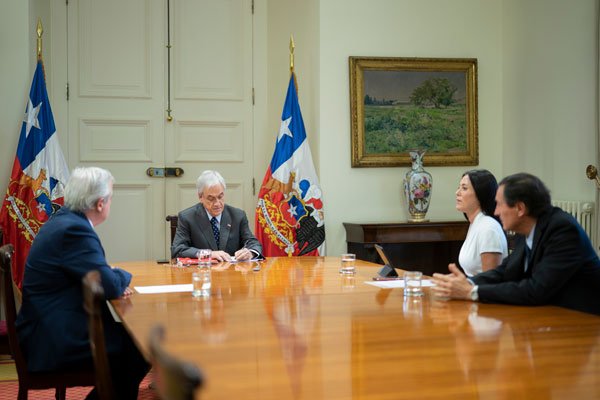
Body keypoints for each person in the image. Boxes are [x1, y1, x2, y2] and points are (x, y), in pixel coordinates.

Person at [16, 167, 150, 399]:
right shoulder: (74, 230)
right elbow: (108, 285)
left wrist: (109, 274)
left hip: (52, 323)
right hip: (54, 338)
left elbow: (100, 275)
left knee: (135, 340)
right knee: (142, 347)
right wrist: (120, 274)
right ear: (100, 203)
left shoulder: (64, 220)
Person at [433, 172, 600, 316]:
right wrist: (467, 283)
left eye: (499, 204)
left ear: (520, 208)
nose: (496, 211)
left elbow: (536, 289)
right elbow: (505, 271)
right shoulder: (526, 228)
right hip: (549, 317)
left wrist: (472, 292)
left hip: (582, 320)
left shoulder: (562, 230)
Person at [171, 170, 262, 261]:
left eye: (220, 197)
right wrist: (208, 254)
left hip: (231, 272)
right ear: (200, 197)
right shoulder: (187, 217)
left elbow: (253, 243)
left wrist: (250, 252)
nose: (217, 203)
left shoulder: (238, 216)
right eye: (211, 199)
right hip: (201, 273)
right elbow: (177, 249)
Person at [454, 169, 508, 276]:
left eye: (464, 188)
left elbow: (490, 282)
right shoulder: (476, 223)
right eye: (458, 187)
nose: (457, 193)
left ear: (480, 194)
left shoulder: (488, 229)